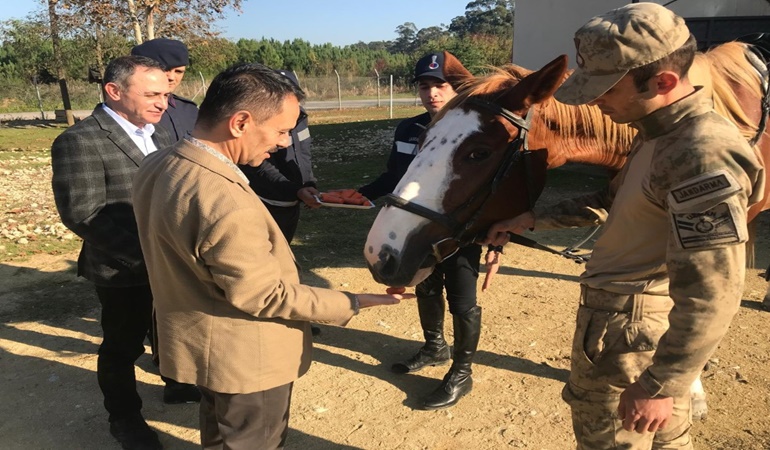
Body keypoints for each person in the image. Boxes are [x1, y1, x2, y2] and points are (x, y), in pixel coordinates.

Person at [485, 3, 765, 448]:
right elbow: (615, 201)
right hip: (617, 331)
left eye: (605, 90)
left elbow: (714, 290)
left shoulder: (701, 155)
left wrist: (661, 385)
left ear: (664, 82)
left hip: (636, 340)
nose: (594, 102)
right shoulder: (656, 134)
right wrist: (533, 219)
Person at [132, 62, 411, 449]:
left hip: (202, 347)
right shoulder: (224, 197)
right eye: (281, 131)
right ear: (241, 122)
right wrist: (354, 300)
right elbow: (264, 295)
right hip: (245, 359)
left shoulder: (159, 162)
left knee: (220, 433)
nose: (284, 143)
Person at [359, 51, 502, 410]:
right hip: (418, 230)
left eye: (441, 85)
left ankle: (462, 372)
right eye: (425, 86)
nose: (432, 93)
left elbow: (496, 188)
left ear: (458, 88)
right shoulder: (409, 129)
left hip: (460, 231)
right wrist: (359, 194)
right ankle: (434, 347)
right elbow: (394, 177)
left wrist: (501, 239)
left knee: (462, 301)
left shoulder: (474, 132)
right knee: (425, 287)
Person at [51, 55, 171, 450]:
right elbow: (84, 214)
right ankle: (125, 418)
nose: (162, 103)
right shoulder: (79, 140)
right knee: (123, 346)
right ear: (114, 91)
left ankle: (178, 383)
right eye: (152, 94)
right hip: (124, 268)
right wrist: (149, 255)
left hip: (170, 264)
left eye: (166, 94)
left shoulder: (159, 132)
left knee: (170, 331)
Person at [239, 70, 320, 243]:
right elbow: (258, 166)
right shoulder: (262, 121)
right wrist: (296, 190)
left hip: (293, 203)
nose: (284, 141)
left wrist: (308, 183)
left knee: (284, 253)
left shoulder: (300, 118)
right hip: (268, 203)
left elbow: (304, 153)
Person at [132, 38, 198, 141]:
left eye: (178, 71)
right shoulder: (130, 110)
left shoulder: (190, 111)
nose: (171, 77)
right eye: (165, 69)